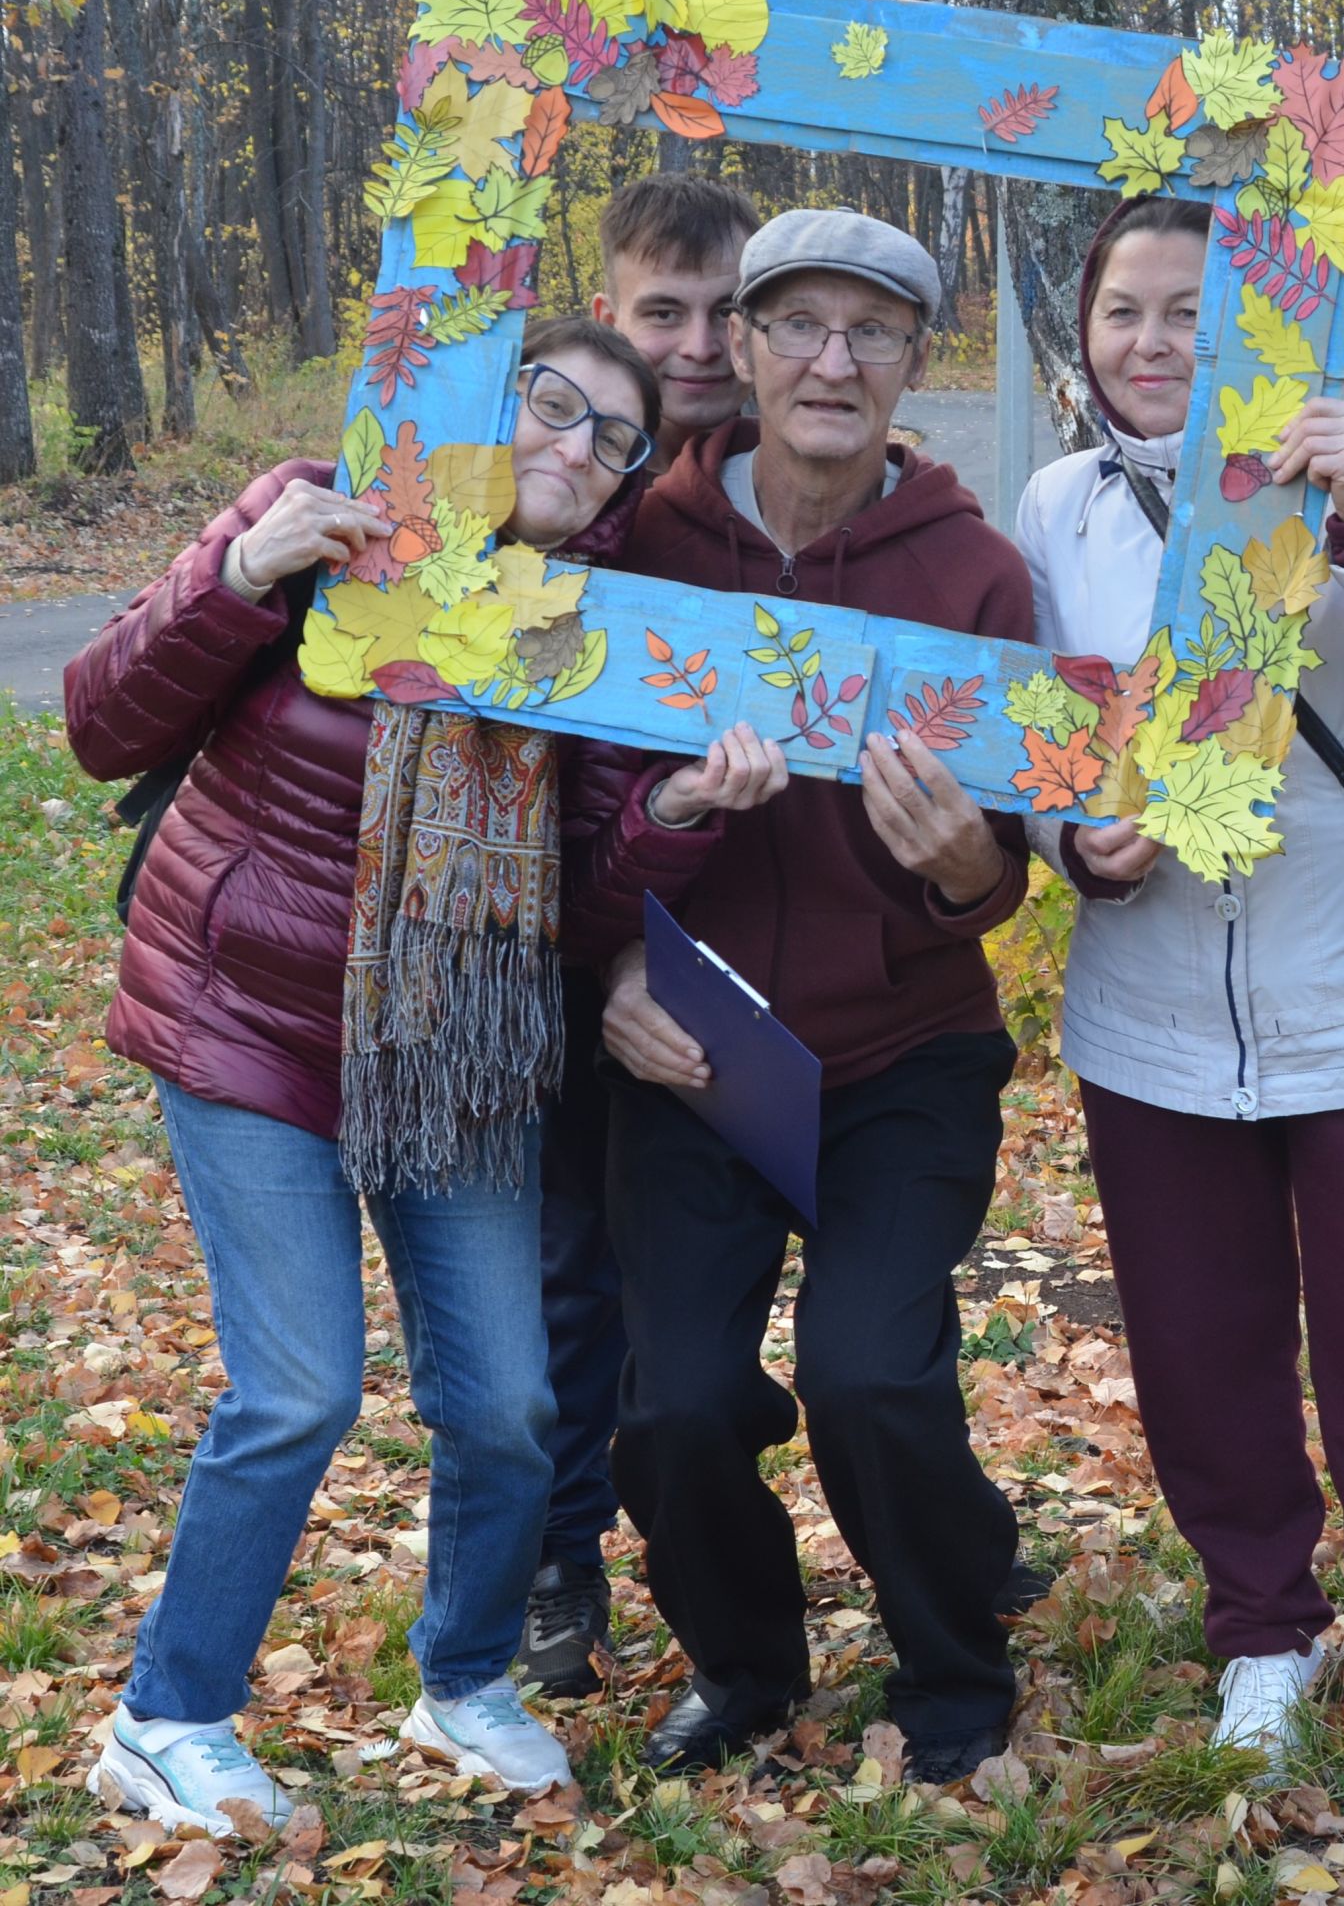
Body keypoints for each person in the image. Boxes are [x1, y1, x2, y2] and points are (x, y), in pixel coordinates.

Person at [65, 316, 661, 1834]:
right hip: (249, 1022)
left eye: (615, 438)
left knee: (512, 1404)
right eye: (553, 403)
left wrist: (684, 818)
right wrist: (241, 575)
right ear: (488, 399)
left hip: (454, 1049)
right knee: (299, 1390)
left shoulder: (597, 625)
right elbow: (95, 722)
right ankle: (168, 1713)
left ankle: (465, 1682)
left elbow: (583, 908)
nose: (575, 448)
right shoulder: (321, 508)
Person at [1015, 197, 1344, 1784]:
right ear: (1086, 330)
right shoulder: (1056, 505)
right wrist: (1074, 842)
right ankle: (1264, 1629)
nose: (1157, 342)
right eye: (1126, 311)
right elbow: (1043, 740)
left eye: (1192, 310)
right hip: (1157, 1021)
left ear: (1260, 321)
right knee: (1201, 1351)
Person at [564, 210, 1033, 1784]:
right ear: (743, 351)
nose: (835, 362)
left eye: (876, 333)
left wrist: (967, 861)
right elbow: (569, 816)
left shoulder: (972, 574)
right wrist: (617, 961)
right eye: (800, 327)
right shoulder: (639, 547)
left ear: (915, 366)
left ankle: (957, 1667)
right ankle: (748, 1665)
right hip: (698, 1047)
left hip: (906, 1048)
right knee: (678, 1408)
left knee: (868, 1372)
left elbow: (1002, 880)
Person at [520, 174, 763, 1702]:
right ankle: (558, 1560)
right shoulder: (548, 499)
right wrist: (600, 962)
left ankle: (915, 1512)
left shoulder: (786, 476)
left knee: (728, 1272)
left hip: (720, 939)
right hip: (537, 954)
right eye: (657, 311)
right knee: (560, 1274)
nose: (693, 342)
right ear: (607, 313)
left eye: (721, 310)